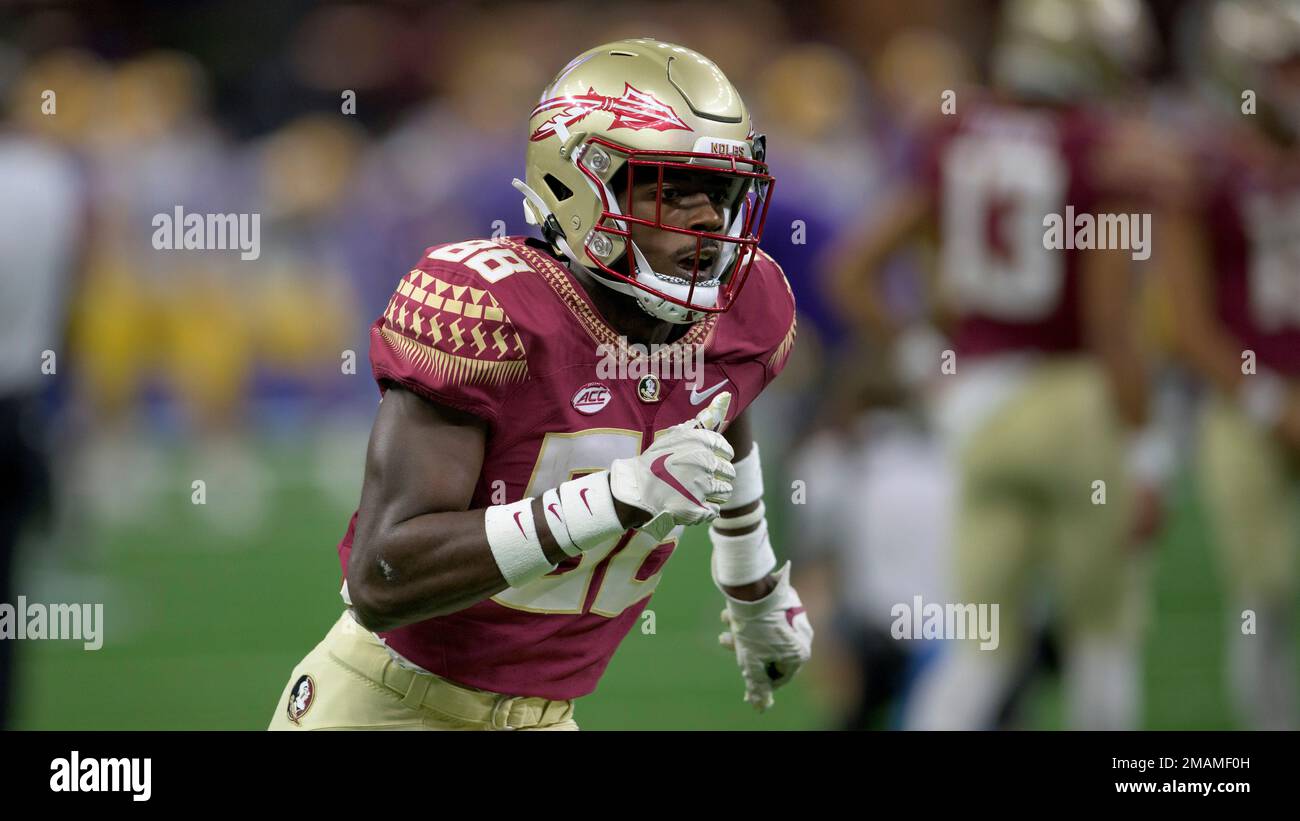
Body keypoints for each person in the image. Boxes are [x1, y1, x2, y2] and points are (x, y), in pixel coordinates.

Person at [269, 38, 812, 730]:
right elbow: (381, 576)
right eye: (673, 187)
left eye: (721, 189)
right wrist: (612, 496)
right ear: (579, 184)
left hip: (547, 716)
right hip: (390, 704)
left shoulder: (744, 307)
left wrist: (753, 585)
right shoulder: (489, 308)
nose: (708, 218)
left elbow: (721, 402)